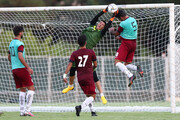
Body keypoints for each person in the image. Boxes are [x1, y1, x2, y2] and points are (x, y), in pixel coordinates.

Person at [62, 6, 118, 104]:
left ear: (103, 28)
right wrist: (104, 11)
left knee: (94, 75)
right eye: (100, 22)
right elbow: (95, 18)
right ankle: (70, 86)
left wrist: (113, 16)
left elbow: (108, 25)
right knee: (72, 69)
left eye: (103, 24)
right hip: (80, 52)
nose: (101, 24)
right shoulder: (91, 26)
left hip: (88, 55)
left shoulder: (100, 33)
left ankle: (102, 95)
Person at [63, 35, 98, 116]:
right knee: (93, 96)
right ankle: (80, 107)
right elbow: (95, 65)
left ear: (78, 43)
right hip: (88, 76)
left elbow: (69, 65)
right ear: (86, 42)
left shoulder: (74, 53)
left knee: (88, 95)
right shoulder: (91, 52)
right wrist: (92, 69)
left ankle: (93, 111)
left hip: (80, 77)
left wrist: (64, 75)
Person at [109, 9, 143, 87]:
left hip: (126, 44)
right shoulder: (133, 19)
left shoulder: (123, 23)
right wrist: (120, 37)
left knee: (117, 62)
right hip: (133, 43)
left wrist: (111, 31)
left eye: (119, 18)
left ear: (121, 17)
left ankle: (130, 75)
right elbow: (128, 32)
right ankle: (137, 68)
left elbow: (117, 33)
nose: (119, 20)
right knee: (126, 64)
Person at [8, 26, 35, 116]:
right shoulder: (20, 43)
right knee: (31, 88)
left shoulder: (11, 43)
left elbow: (9, 57)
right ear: (20, 33)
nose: (23, 33)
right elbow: (20, 56)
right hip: (21, 68)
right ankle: (28, 109)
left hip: (14, 69)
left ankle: (22, 111)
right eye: (22, 32)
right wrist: (28, 67)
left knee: (22, 89)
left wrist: (14, 64)